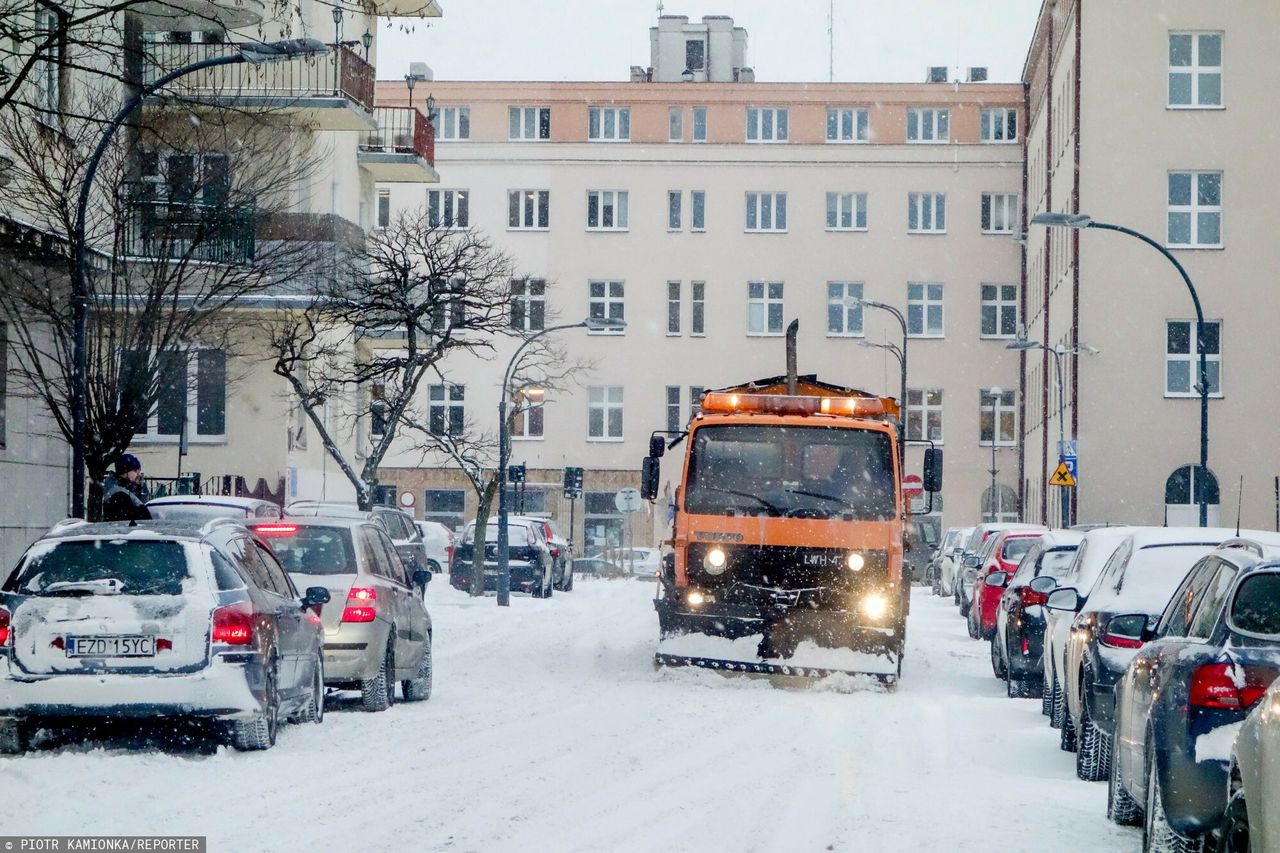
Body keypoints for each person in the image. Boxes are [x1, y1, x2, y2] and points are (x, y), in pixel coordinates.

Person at [101, 453, 152, 523]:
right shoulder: (119, 495)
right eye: (136, 471)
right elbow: (124, 521)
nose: (138, 474)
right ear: (126, 472)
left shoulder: (126, 489)